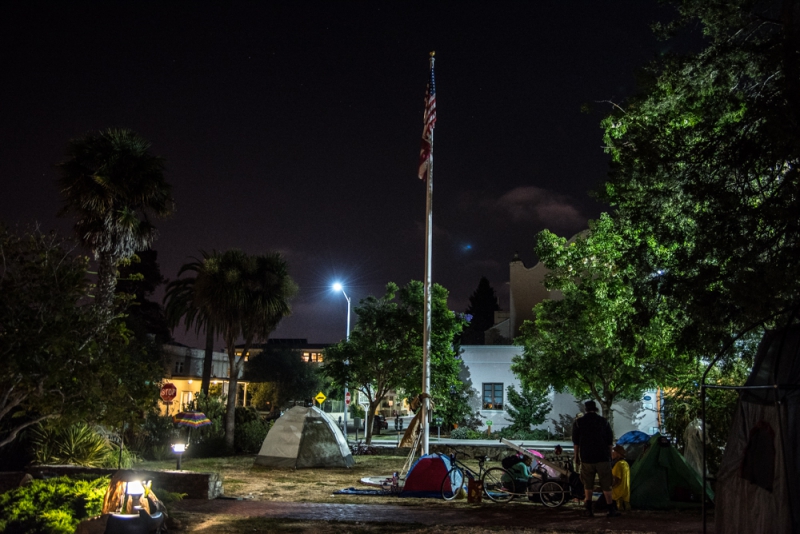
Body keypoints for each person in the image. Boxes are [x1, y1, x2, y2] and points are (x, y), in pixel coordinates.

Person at [572, 400, 619, 517]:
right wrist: (609, 457)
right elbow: (609, 443)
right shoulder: (603, 422)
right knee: (606, 484)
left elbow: (576, 443)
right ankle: (610, 508)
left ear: (585, 409)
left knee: (588, 484)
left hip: (587, 457)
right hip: (603, 457)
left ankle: (588, 509)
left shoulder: (579, 423)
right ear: (596, 409)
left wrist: (576, 457)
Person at [611, 445, 631, 511]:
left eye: (614, 451)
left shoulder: (618, 464)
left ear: (618, 454)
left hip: (618, 494)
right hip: (625, 493)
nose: (612, 453)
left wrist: (611, 486)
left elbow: (617, 479)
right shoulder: (625, 463)